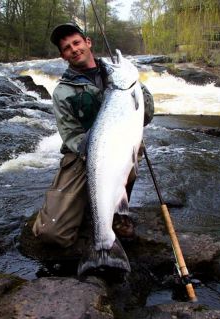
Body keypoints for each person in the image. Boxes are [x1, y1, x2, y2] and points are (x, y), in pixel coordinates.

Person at [32, 22, 154, 248]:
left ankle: (117, 213)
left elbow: (146, 116)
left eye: (77, 42)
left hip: (119, 148)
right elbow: (70, 134)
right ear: (63, 56)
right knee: (52, 234)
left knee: (131, 152)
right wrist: (96, 156)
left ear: (88, 43)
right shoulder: (62, 92)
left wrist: (137, 86)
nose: (74, 49)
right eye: (67, 48)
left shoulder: (117, 77)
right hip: (82, 156)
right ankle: (93, 207)